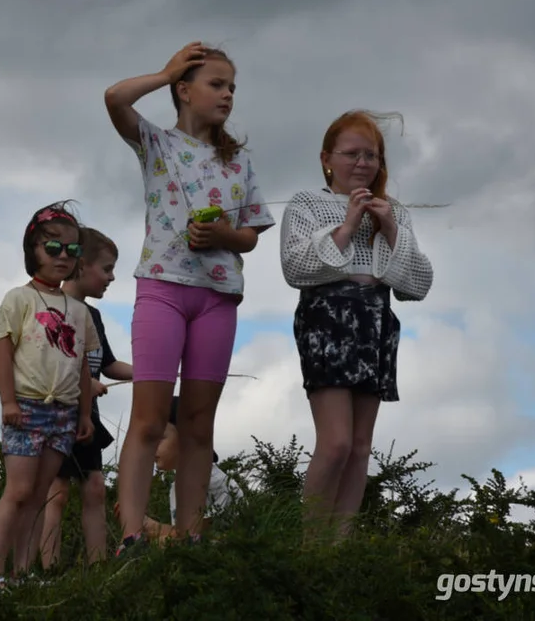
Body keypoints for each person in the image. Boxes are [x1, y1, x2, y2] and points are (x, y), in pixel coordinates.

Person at [103, 41, 275, 555]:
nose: (227, 95)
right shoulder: (155, 142)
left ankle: (192, 536)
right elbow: (114, 98)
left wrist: (222, 234)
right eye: (216, 84)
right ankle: (132, 535)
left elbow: (250, 235)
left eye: (231, 88)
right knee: (150, 418)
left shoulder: (237, 161)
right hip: (162, 289)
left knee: (199, 422)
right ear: (184, 89)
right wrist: (164, 71)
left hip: (218, 297)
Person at [279, 109, 433, 542]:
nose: (362, 163)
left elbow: (416, 284)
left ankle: (339, 549)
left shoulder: (395, 212)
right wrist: (348, 225)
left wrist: (390, 229)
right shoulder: (307, 203)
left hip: (375, 319)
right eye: (351, 154)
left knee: (361, 447)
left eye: (372, 155)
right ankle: (307, 544)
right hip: (327, 317)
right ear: (328, 158)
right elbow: (296, 268)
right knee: (336, 444)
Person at [0, 202, 98, 592]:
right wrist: (8, 403)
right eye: (53, 248)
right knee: (16, 492)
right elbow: (3, 354)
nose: (63, 256)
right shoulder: (18, 299)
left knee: (38, 498)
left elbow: (83, 366)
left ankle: (22, 574)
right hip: (26, 408)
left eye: (72, 249)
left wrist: (85, 414)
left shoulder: (80, 311)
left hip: (64, 414)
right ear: (32, 250)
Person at [34, 227, 133, 569]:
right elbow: (46, 364)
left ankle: (97, 568)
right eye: (106, 269)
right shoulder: (50, 308)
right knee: (56, 493)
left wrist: (151, 372)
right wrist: (87, 384)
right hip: (55, 417)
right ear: (81, 265)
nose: (111, 277)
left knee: (94, 488)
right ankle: (48, 569)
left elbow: (107, 364)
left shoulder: (93, 317)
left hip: (86, 420)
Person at [132, 396, 241, 542]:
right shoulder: (181, 483)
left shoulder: (210, 481)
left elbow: (192, 535)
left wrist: (150, 526)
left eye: (160, 439)